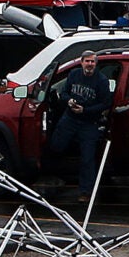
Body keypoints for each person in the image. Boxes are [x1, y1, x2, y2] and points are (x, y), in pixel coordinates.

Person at [48, 50, 112, 204]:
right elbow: (63, 93)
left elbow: (106, 103)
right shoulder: (74, 74)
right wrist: (69, 101)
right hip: (69, 119)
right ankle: (54, 178)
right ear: (82, 62)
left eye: (92, 62)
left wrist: (85, 110)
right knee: (56, 147)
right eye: (87, 61)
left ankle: (85, 192)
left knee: (87, 158)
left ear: (96, 64)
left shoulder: (102, 81)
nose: (90, 64)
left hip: (89, 123)